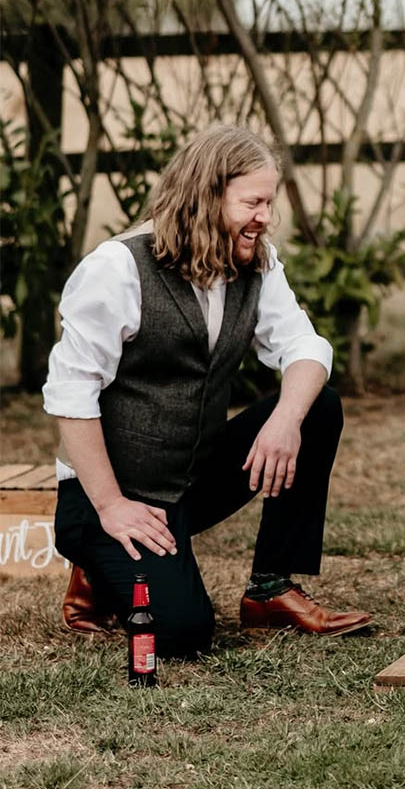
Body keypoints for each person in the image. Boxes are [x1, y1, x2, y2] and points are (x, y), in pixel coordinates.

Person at [44, 125, 371, 659]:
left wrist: (287, 419)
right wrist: (111, 505)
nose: (265, 217)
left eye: (269, 202)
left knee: (317, 407)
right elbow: (71, 395)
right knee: (180, 635)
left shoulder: (257, 265)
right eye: (253, 202)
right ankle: (96, 566)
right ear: (206, 194)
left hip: (191, 479)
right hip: (113, 494)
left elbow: (306, 348)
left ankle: (269, 588)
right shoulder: (117, 268)